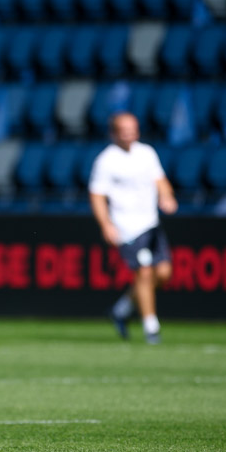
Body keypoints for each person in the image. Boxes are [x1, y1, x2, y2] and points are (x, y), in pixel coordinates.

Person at [89, 112, 178, 345]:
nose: (130, 133)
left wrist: (166, 196)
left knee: (163, 274)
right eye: (124, 129)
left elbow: (160, 180)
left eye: (133, 128)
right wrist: (106, 224)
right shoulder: (106, 160)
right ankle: (151, 329)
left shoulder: (146, 153)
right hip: (127, 227)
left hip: (151, 223)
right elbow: (97, 195)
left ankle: (122, 309)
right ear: (114, 133)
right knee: (145, 273)